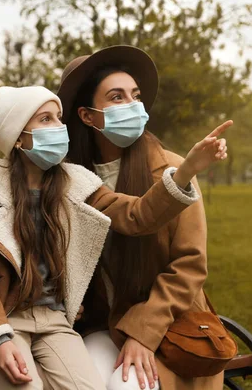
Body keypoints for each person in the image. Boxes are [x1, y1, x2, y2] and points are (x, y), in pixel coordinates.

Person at [0, 85, 230, 390]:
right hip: (5, 317)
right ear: (18, 136)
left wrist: (185, 173)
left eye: (59, 118)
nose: (59, 128)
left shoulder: (75, 183)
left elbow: (137, 215)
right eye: (45, 119)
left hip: (55, 322)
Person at [58, 45, 228, 390]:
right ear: (88, 116)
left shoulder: (173, 169)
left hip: (168, 322)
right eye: (116, 97)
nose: (132, 105)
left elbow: (190, 265)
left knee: (126, 386)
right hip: (102, 323)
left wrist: (143, 332)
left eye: (135, 95)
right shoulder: (71, 178)